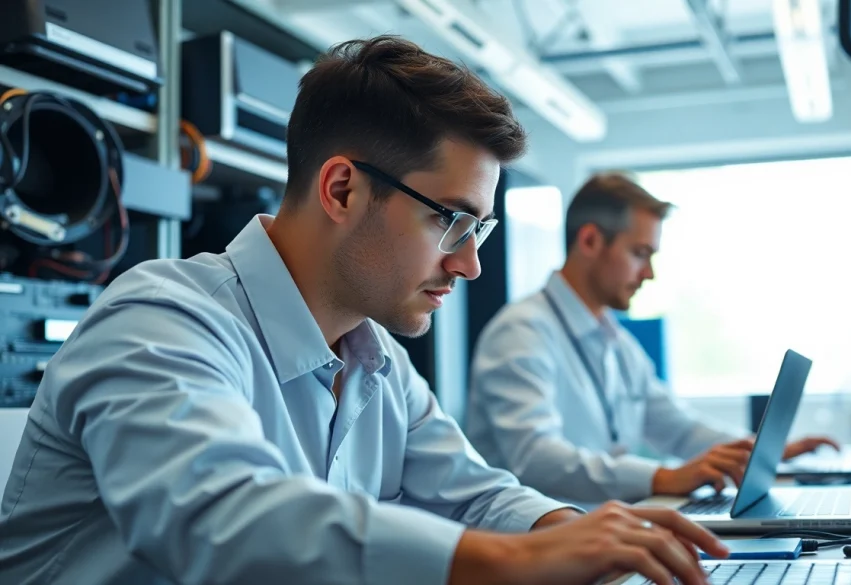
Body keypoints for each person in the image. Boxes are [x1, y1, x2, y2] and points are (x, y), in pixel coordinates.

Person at [0, 37, 728, 585]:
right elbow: (223, 518)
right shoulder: (161, 319)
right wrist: (513, 560)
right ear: (342, 190)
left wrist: (581, 535)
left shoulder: (375, 359)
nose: (469, 264)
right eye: (451, 221)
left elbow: (476, 496)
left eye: (479, 232)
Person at [465, 173, 839, 505]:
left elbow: (679, 428)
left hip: (602, 534)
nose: (649, 274)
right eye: (640, 253)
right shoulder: (521, 332)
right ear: (590, 240)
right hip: (537, 547)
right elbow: (535, 457)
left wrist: (761, 451)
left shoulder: (617, 342)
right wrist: (663, 478)